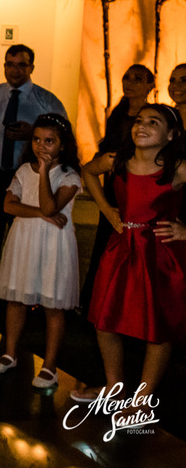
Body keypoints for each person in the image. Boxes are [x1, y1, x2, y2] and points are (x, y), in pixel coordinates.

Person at [74, 103, 186, 404]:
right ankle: (114, 387)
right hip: (122, 248)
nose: (143, 125)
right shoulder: (117, 161)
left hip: (159, 255)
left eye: (154, 122)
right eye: (139, 120)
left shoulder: (176, 169)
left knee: (156, 328)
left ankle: (142, 398)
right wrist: (107, 209)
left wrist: (185, 230)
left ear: (172, 135)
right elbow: (87, 170)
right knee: (104, 320)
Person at [0, 113, 81, 389]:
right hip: (25, 238)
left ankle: (50, 366)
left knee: (53, 304)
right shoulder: (21, 171)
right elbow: (8, 206)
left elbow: (52, 206)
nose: (42, 146)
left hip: (54, 243)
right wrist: (41, 214)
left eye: (50, 141)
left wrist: (43, 173)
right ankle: (10, 352)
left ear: (62, 145)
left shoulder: (69, 175)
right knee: (16, 298)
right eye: (37, 140)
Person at [0, 44, 67, 285]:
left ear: (32, 67)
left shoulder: (46, 100)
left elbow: (64, 133)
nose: (15, 70)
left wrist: (33, 134)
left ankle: (23, 292)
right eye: (9, 64)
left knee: (26, 237)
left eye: (22, 64)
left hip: (27, 179)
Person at [82, 63, 156, 303]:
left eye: (137, 78)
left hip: (138, 184)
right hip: (113, 183)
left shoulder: (153, 116)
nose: (129, 82)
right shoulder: (117, 114)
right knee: (105, 242)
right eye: (126, 77)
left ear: (149, 85)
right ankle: (99, 300)